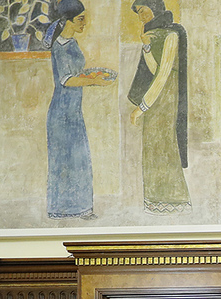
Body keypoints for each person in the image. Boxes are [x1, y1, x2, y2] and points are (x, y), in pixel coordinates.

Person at [44, 0, 115, 219]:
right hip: (61, 113)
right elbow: (67, 80)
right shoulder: (59, 46)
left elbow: (77, 73)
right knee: (64, 162)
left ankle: (82, 208)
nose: (84, 23)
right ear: (68, 21)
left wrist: (92, 76)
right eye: (80, 19)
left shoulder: (72, 43)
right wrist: (95, 81)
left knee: (80, 160)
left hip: (74, 111)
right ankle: (61, 210)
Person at [127, 0, 190, 214]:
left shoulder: (172, 34)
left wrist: (141, 107)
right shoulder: (152, 35)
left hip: (165, 100)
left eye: (143, 10)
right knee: (152, 149)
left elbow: (163, 75)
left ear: (154, 7)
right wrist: (146, 47)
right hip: (154, 101)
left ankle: (175, 200)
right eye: (138, 13)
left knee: (165, 147)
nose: (141, 16)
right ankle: (155, 200)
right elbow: (154, 70)